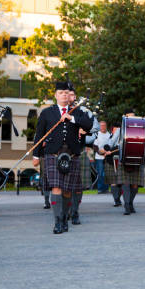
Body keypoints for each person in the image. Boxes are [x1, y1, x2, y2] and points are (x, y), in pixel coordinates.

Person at [32, 82, 93, 234]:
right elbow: (39, 135)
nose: (64, 95)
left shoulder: (77, 112)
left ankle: (65, 217)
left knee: (67, 190)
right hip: (53, 155)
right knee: (56, 187)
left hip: (72, 155)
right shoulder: (47, 113)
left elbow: (89, 124)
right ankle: (58, 221)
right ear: (56, 95)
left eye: (67, 93)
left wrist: (71, 118)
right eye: (61, 93)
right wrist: (35, 155)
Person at [68, 88, 99, 226]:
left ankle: (75, 212)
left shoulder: (85, 111)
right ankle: (64, 211)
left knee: (78, 186)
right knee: (64, 186)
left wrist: (86, 129)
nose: (70, 96)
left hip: (79, 152)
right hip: (62, 153)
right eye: (66, 93)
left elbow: (96, 126)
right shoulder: (56, 110)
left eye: (72, 94)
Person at [107, 109, 145, 215]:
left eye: (133, 116)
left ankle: (130, 203)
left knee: (135, 185)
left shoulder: (141, 129)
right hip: (124, 158)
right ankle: (127, 205)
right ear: (124, 117)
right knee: (125, 183)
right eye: (129, 117)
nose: (131, 119)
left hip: (137, 159)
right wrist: (118, 144)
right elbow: (110, 143)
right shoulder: (120, 130)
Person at [93, 120, 111, 194]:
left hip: (107, 157)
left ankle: (106, 188)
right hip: (99, 158)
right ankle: (100, 189)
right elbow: (95, 146)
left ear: (106, 126)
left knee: (106, 173)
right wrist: (100, 152)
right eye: (101, 125)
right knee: (100, 174)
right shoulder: (97, 134)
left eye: (104, 125)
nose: (102, 127)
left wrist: (107, 152)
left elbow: (111, 144)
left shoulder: (109, 135)